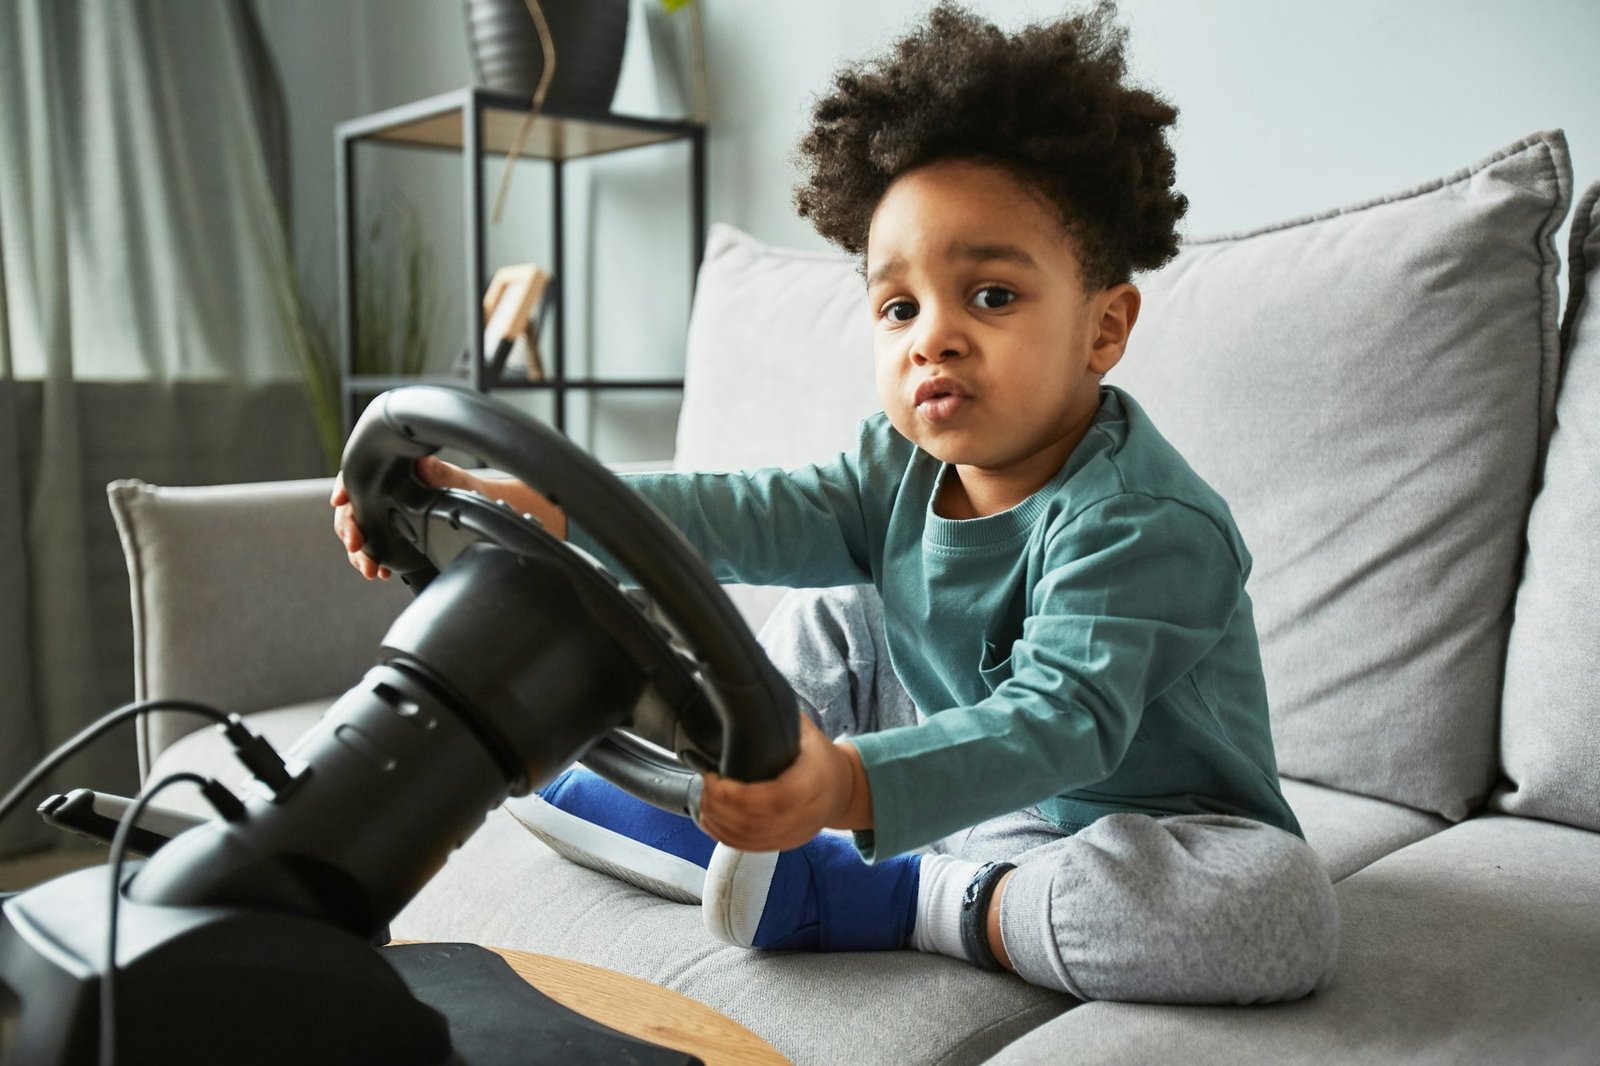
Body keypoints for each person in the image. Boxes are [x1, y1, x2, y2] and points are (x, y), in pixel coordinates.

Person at [332, 0, 1338, 1003]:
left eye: (990, 295)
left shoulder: (1143, 522)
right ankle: (747, 807)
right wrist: (538, 506)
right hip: (933, 780)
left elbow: (1060, 720)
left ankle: (913, 895)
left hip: (1128, 831)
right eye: (898, 306)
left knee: (1276, 912)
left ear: (1104, 327)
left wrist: (852, 784)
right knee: (839, 604)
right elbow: (738, 513)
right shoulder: (894, 464)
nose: (929, 338)